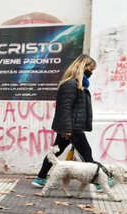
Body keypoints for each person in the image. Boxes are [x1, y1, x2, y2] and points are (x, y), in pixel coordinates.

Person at [32, 54, 116, 189]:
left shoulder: (77, 83)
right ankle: (99, 183)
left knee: (55, 152)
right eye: (91, 69)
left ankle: (40, 178)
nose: (91, 72)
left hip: (71, 126)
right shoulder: (71, 84)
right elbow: (65, 108)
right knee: (86, 155)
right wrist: (67, 129)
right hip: (72, 128)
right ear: (83, 66)